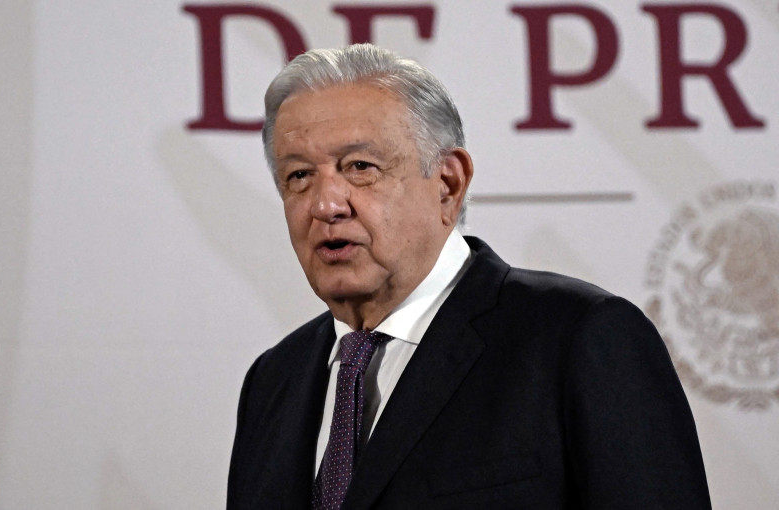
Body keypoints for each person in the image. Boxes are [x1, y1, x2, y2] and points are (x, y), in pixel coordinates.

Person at [227, 43, 712, 509]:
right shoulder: (274, 380)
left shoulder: (581, 338)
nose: (326, 205)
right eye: (299, 176)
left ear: (448, 184)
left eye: (359, 167)